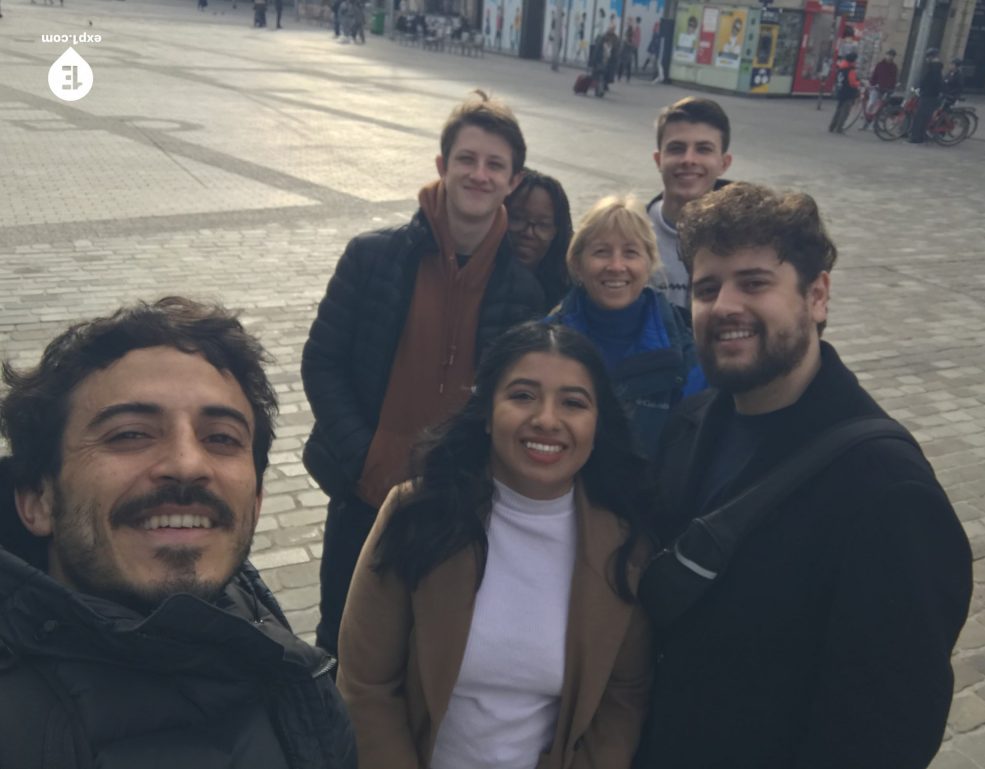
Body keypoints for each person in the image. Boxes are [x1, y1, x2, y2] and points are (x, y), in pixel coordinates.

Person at [636, 183, 973, 769]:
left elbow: (885, 729)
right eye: (708, 288)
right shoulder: (693, 421)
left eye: (755, 283)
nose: (725, 306)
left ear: (817, 296)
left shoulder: (887, 491)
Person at [0, 297, 356, 769]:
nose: (187, 465)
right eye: (130, 434)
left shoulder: (265, 634)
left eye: (221, 438)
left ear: (256, 501)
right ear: (37, 500)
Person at [337, 320, 652, 769]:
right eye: (522, 396)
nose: (546, 419)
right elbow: (365, 684)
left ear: (598, 423)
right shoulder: (417, 513)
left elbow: (624, 696)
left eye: (573, 403)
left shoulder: (624, 544)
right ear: (486, 413)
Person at [302, 91, 544, 655]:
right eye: (467, 159)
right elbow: (323, 361)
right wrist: (366, 453)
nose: (479, 174)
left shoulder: (522, 291)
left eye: (495, 165)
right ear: (443, 165)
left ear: (513, 180)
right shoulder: (373, 257)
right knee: (342, 638)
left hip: (456, 503)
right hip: (366, 493)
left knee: (430, 649)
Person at [548, 196, 704, 458]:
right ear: (577, 263)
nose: (616, 266)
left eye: (630, 253)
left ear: (649, 263)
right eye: (601, 252)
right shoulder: (543, 342)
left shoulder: (686, 357)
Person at [647, 96, 732, 317]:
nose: (689, 159)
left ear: (724, 163)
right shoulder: (632, 234)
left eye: (703, 149)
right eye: (676, 148)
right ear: (658, 160)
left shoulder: (748, 240)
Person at [505, 168, 573, 311]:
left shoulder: (570, 297)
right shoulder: (475, 279)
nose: (529, 233)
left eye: (543, 224)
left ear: (557, 232)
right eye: (517, 218)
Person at [910, 47, 943, 143]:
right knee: (924, 117)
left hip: (928, 96)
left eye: (928, 57)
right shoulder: (935, 67)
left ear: (931, 57)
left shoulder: (934, 68)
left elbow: (929, 82)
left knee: (921, 116)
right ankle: (920, 137)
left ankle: (916, 138)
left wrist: (922, 89)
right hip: (929, 95)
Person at [862, 48, 898, 128]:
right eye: (888, 55)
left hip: (887, 89)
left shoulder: (894, 67)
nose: (890, 57)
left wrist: (892, 88)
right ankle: (867, 121)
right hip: (877, 87)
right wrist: (871, 84)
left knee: (880, 108)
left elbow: (893, 79)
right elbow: (874, 75)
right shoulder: (880, 65)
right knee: (871, 103)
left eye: (892, 56)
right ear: (886, 55)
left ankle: (875, 123)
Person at [828, 51, 861, 134]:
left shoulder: (841, 68)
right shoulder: (850, 70)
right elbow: (853, 83)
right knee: (845, 112)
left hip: (841, 91)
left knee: (838, 110)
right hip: (848, 93)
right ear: (853, 61)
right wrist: (859, 83)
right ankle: (839, 128)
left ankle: (832, 126)